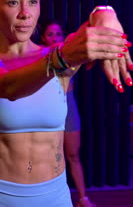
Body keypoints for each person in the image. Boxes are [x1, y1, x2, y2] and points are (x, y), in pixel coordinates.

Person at [0, 0, 133, 206]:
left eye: (33, 1)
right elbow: (8, 86)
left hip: (54, 197)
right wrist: (62, 57)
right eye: (12, 2)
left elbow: (92, 27)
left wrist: (106, 13)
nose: (25, 13)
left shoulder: (55, 56)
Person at [40, 20, 95, 207]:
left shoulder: (71, 56)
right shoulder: (40, 56)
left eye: (58, 34)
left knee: (72, 154)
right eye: (50, 34)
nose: (54, 38)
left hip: (68, 107)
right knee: (47, 158)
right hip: (46, 109)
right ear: (43, 38)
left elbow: (85, 54)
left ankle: (82, 198)